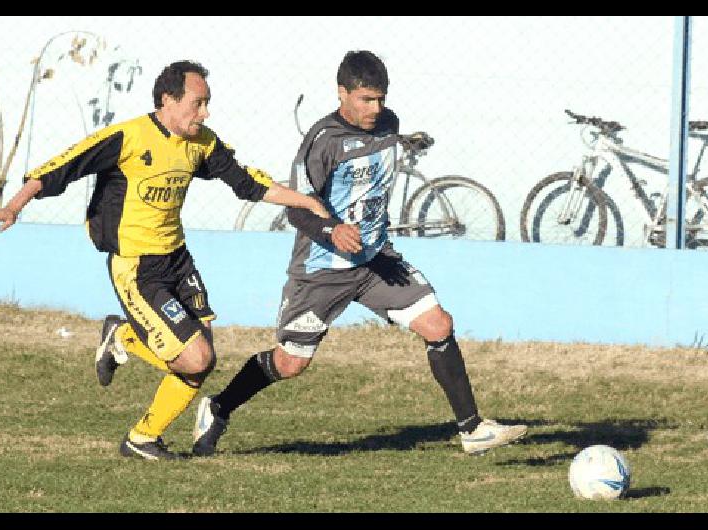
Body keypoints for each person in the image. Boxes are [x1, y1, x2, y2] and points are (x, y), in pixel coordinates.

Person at [0, 60, 329, 460]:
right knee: (194, 357)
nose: (205, 113)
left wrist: (306, 202)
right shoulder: (128, 138)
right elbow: (62, 166)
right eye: (198, 104)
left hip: (178, 260)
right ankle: (125, 336)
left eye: (208, 104)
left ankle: (143, 438)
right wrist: (13, 206)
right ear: (168, 99)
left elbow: (247, 181)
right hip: (136, 268)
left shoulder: (200, 142)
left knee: (202, 362)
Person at [191, 51, 527, 457]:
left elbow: (380, 155)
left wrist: (407, 142)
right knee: (290, 363)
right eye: (366, 99)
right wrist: (333, 229)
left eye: (381, 99)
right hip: (321, 271)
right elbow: (296, 206)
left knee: (438, 324)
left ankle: (472, 430)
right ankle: (219, 406)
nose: (376, 108)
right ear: (342, 93)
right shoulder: (322, 142)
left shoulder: (389, 124)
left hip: (373, 262)